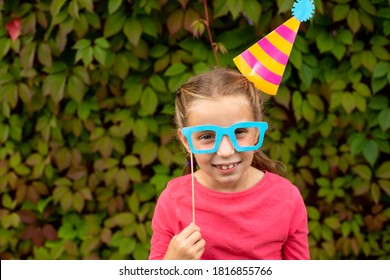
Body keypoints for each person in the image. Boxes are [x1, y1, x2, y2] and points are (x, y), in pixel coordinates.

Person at [148, 68, 309, 260]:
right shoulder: (172, 201)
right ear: (186, 141)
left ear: (256, 132)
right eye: (207, 136)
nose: (226, 151)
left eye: (240, 131)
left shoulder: (287, 198)